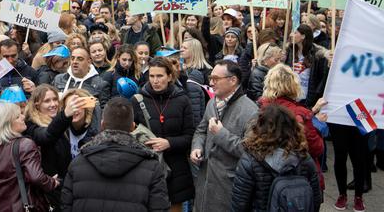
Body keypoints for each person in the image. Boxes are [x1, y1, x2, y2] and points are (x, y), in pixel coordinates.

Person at [61, 96, 170, 212]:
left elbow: (66, 206)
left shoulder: (78, 163)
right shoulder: (152, 168)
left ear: (102, 125)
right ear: (133, 127)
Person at [190, 60, 258, 212]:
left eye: (216, 79)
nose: (211, 83)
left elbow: (249, 151)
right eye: (210, 78)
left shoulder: (251, 111)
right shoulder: (212, 103)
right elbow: (201, 131)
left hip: (227, 188)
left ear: (233, 80)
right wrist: (197, 147)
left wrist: (221, 134)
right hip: (203, 187)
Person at [231, 105, 322, 212]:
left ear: (260, 128)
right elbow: (315, 200)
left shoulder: (250, 161)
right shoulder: (305, 158)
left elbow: (239, 204)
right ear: (293, 128)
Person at [132, 58, 195, 211]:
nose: (155, 80)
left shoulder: (182, 100)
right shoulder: (137, 100)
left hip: (176, 168)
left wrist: (169, 143)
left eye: (159, 76)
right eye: (152, 76)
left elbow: (190, 135)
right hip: (147, 167)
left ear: (169, 76)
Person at [0, 102, 59, 212]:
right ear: (7, 123)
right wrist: (52, 182)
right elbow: (36, 177)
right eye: (18, 116)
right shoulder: (25, 144)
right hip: (20, 207)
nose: (23, 116)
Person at [257, 65, 325, 184]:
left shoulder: (260, 107)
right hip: (296, 177)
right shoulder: (301, 113)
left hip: (262, 174)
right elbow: (316, 149)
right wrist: (318, 124)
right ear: (293, 85)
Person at [23, 85, 82, 209]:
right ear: (37, 105)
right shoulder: (31, 126)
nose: (53, 104)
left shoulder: (57, 121)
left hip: (64, 187)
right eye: (47, 101)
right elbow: (46, 136)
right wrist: (65, 115)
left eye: (55, 99)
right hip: (48, 191)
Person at [285, 24, 329, 109]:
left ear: (303, 36)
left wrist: (315, 97)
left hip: (306, 99)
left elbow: (321, 79)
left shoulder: (316, 54)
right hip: (290, 96)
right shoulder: (288, 51)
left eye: (295, 33)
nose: (291, 35)